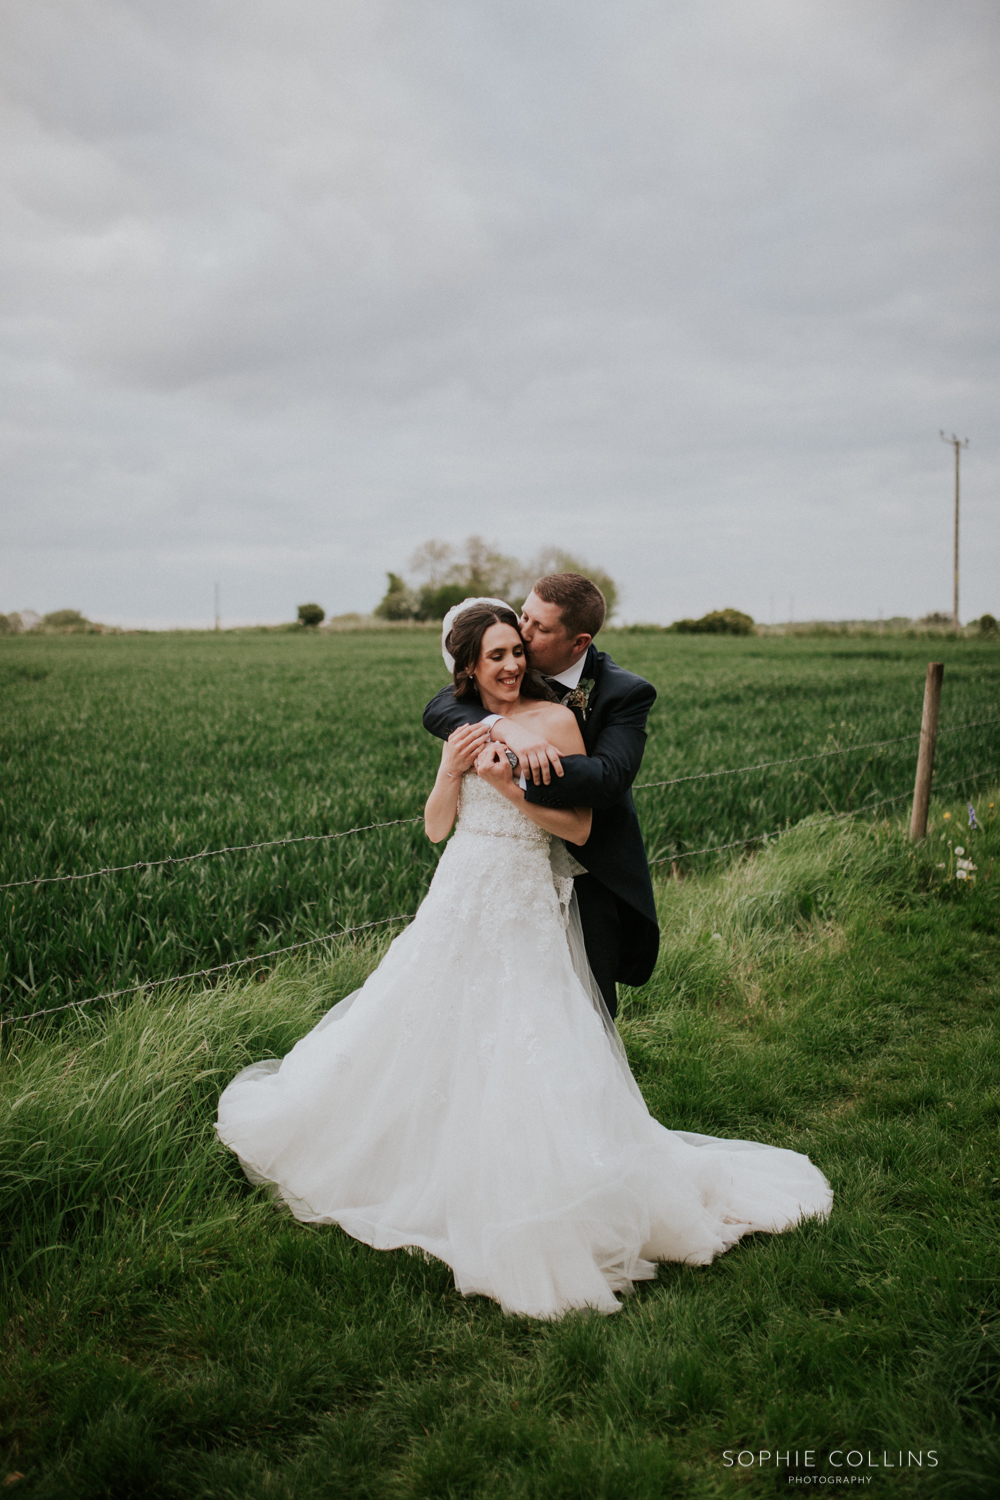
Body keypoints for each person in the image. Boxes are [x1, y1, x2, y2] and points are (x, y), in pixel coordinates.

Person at [216, 600, 832, 1321]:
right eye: (497, 656)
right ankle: (423, 1165)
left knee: (528, 1036)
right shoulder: (459, 724)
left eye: (517, 650)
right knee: (425, 1026)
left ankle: (537, 1188)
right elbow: (436, 828)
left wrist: (512, 787)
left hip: (525, 898)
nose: (512, 665)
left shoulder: (558, 720)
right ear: (469, 668)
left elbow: (577, 825)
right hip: (458, 895)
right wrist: (452, 772)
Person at [423, 573, 658, 1020]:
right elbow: (441, 706)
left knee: (581, 1008)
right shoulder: (473, 713)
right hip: (470, 877)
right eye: (523, 618)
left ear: (578, 640)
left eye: (537, 629)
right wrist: (497, 730)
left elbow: (607, 780)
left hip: (588, 870)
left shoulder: (622, 693)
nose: (523, 638)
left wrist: (511, 771)